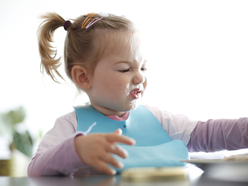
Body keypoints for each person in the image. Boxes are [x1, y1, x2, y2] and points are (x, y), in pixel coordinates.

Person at [28, 12, 248, 177]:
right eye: (125, 69)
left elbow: (206, 135)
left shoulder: (159, 119)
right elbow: (35, 170)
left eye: (143, 68)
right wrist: (76, 150)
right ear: (84, 77)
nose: (140, 78)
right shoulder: (71, 127)